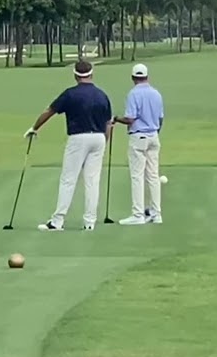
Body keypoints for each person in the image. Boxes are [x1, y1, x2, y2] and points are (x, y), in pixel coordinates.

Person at [25, 59, 113, 232]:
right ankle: (89, 222)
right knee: (92, 181)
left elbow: (50, 111)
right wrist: (104, 140)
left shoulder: (70, 94)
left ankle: (57, 221)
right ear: (91, 74)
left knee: (68, 179)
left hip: (78, 138)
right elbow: (108, 123)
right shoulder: (102, 95)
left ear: (75, 75)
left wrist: (35, 128)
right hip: (99, 137)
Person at [111, 63, 164, 225]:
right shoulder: (156, 93)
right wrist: (154, 132)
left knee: (137, 176)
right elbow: (160, 118)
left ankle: (137, 214)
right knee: (153, 176)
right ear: (147, 76)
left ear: (133, 77)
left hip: (139, 137)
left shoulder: (133, 94)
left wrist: (116, 118)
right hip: (154, 136)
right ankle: (156, 214)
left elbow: (130, 118)